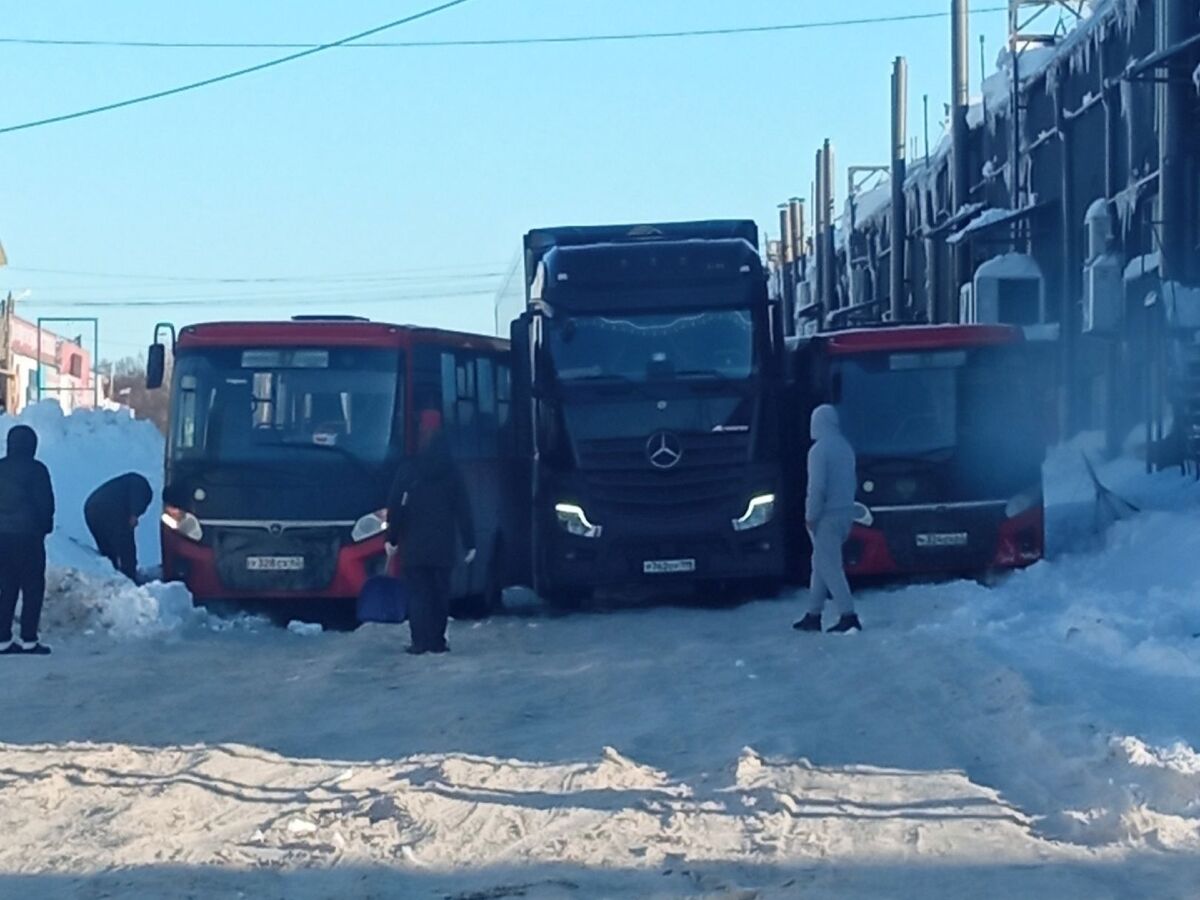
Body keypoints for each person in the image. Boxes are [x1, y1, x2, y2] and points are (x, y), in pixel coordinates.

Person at [385, 410, 476, 655]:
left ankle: (419, 641)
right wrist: (470, 542)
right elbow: (462, 508)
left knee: (418, 594)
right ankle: (437, 640)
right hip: (442, 545)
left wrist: (392, 538)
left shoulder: (409, 469)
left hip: (414, 545)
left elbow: (396, 506)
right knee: (439, 594)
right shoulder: (451, 471)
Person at [794, 404, 862, 634]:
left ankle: (848, 615)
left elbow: (817, 488)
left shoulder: (819, 451)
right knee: (821, 565)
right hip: (845, 514)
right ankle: (813, 614)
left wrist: (810, 516)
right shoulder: (845, 448)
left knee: (830, 568)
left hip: (826, 517)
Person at [0, 425, 55, 655]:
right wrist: (45, 527)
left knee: (6, 587)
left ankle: (2, 640)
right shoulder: (37, 470)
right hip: (30, 538)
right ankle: (29, 639)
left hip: (2, 537)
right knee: (32, 588)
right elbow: (46, 504)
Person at [85, 472, 154, 581]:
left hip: (90, 509)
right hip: (108, 509)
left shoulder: (125, 486)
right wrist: (134, 513)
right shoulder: (141, 486)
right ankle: (129, 578)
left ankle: (111, 574)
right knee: (125, 542)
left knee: (107, 549)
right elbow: (127, 542)